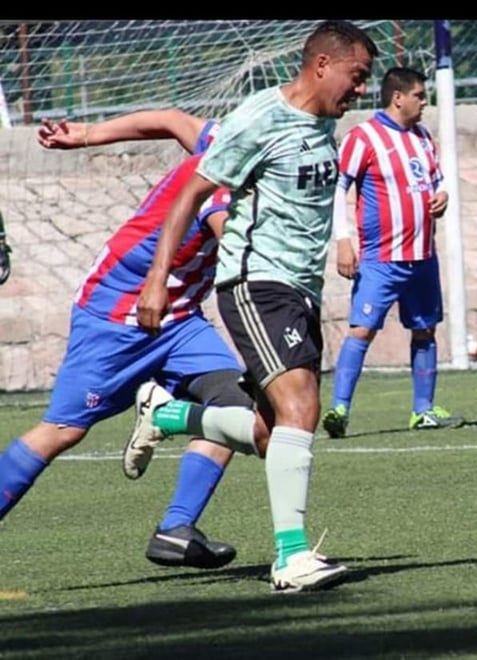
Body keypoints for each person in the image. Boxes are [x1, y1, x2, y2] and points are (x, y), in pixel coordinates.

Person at [132, 19, 378, 593]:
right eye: (357, 76)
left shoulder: (323, 126)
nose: (361, 89)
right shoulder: (260, 117)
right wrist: (157, 279)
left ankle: (167, 415)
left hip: (300, 292)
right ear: (322, 64)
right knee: (302, 408)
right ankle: (291, 558)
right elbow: (192, 192)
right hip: (255, 283)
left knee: (273, 433)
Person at [0, 109, 271, 571]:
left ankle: (175, 529)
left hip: (179, 319)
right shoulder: (224, 188)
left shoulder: (228, 144)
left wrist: (88, 134)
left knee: (236, 407)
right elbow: (241, 254)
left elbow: (170, 120)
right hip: (118, 313)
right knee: (63, 430)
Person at [321, 66, 465, 439]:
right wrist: (342, 239)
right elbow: (339, 189)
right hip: (381, 258)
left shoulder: (421, 137)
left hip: (422, 256)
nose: (425, 102)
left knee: (425, 330)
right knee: (362, 330)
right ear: (398, 97)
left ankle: (423, 410)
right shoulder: (363, 137)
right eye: (419, 95)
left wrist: (443, 195)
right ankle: (339, 409)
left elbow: (435, 180)